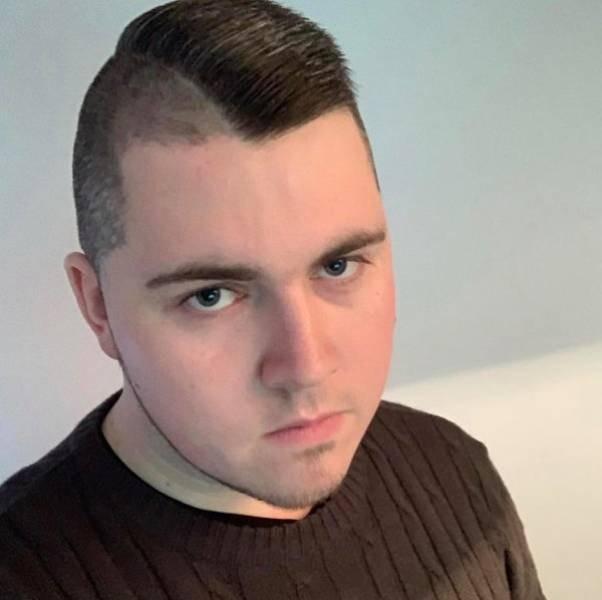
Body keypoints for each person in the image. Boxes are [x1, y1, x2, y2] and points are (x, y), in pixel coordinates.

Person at [0, 1, 546, 598]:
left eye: (337, 266)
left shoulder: (455, 474)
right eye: (211, 296)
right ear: (97, 305)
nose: (305, 367)